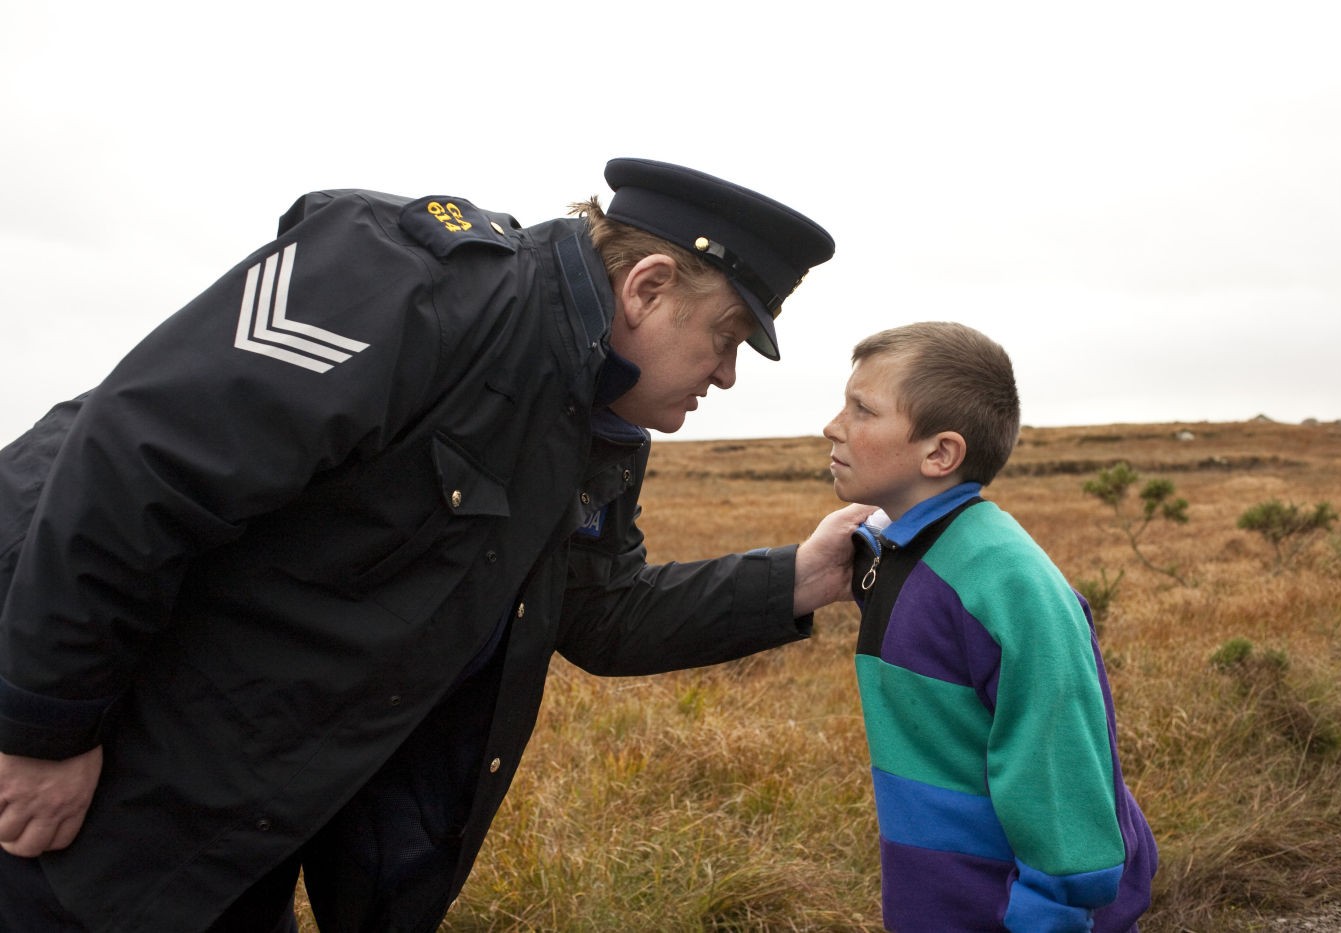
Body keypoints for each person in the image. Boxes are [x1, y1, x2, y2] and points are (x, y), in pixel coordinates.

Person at [0, 158, 872, 932]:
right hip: (86, 766)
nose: (726, 374)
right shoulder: (406, 279)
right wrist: (41, 729)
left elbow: (600, 611)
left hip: (235, 816)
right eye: (725, 338)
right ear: (647, 286)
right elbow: (138, 467)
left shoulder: (596, 423)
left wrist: (801, 577)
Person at [822, 322, 1157, 932]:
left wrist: (1052, 911)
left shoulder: (1006, 580)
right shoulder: (903, 552)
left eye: (862, 409)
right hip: (942, 904)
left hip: (1017, 914)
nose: (833, 426)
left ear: (940, 454)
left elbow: (1060, 764)